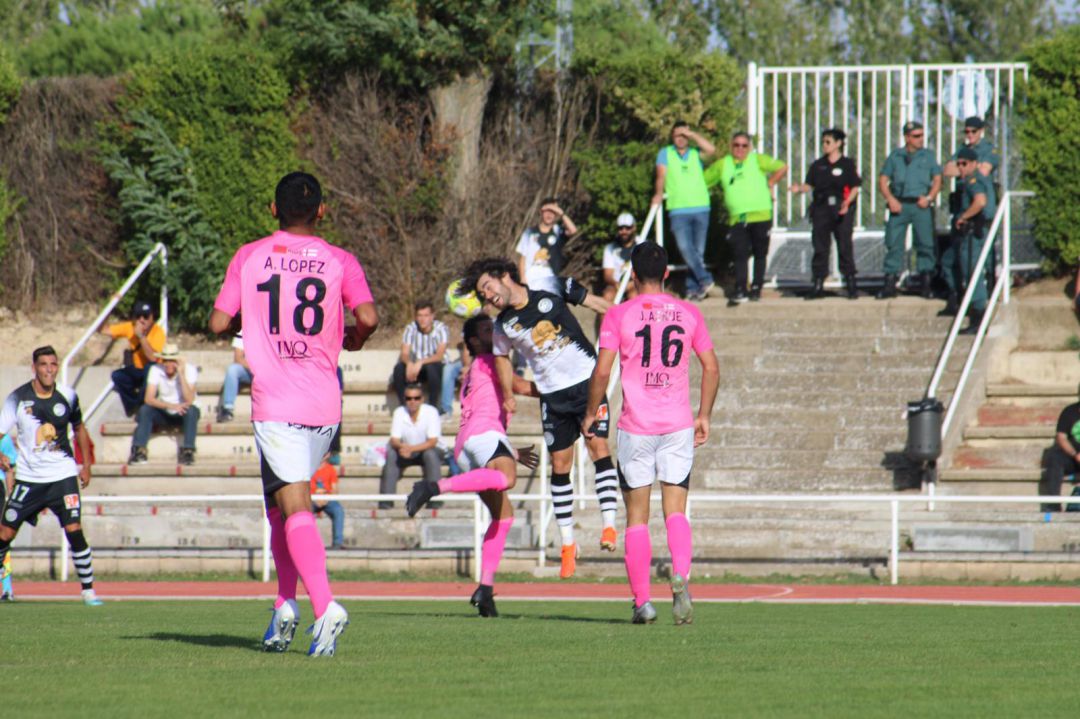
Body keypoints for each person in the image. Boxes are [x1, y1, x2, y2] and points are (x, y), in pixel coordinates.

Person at [209, 171, 379, 657]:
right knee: (277, 503)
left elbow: (219, 321)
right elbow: (367, 317)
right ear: (322, 211)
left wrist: (253, 320)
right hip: (324, 401)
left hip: (277, 399)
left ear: (272, 209)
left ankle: (326, 607)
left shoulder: (249, 255)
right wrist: (355, 339)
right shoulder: (340, 260)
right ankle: (284, 606)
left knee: (294, 504)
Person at [584, 242, 719, 625]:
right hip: (677, 425)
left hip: (636, 427)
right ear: (666, 273)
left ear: (632, 272)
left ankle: (642, 602)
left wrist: (592, 412)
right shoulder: (689, 312)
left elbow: (601, 372)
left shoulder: (618, 315)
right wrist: (703, 415)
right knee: (675, 510)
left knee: (637, 519)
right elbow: (711, 367)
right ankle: (680, 575)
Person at [461, 258, 620, 579]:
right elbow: (502, 360)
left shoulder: (550, 285)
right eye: (482, 295)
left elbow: (598, 304)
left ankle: (609, 525)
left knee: (598, 447)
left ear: (504, 276)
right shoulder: (502, 325)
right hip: (553, 397)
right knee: (560, 465)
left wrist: (624, 319)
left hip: (587, 384)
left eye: (488, 287)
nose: (488, 296)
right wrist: (507, 393)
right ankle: (567, 544)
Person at [405, 314, 540, 617]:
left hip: (468, 446)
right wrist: (559, 391)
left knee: (503, 516)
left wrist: (511, 451)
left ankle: (486, 590)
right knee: (506, 478)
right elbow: (518, 385)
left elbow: (486, 406)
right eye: (486, 330)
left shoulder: (477, 367)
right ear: (475, 341)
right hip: (484, 436)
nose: (494, 331)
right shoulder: (489, 360)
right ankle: (432, 487)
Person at [0, 346, 104, 607]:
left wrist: (86, 464)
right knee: (4, 533)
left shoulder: (68, 396)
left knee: (74, 529)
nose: (49, 369)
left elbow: (80, 429)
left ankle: (88, 591)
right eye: (43, 364)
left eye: (53, 364)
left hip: (63, 476)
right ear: (34, 367)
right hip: (30, 479)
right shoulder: (17, 399)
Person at [704, 131, 788, 303]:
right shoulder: (723, 164)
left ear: (749, 147)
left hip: (761, 214)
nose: (740, 149)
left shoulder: (757, 160)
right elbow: (702, 181)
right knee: (740, 253)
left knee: (759, 253)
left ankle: (757, 287)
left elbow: (782, 166)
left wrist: (770, 183)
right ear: (731, 146)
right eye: (736, 145)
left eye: (744, 145)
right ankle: (741, 288)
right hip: (738, 218)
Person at [789, 128, 861, 300]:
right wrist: (799, 188)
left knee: (844, 245)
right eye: (823, 142)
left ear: (838, 144)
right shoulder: (818, 165)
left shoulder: (847, 164)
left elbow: (855, 187)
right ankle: (818, 283)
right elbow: (809, 185)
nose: (824, 145)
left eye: (828, 142)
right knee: (820, 246)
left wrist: (847, 202)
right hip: (822, 208)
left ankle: (850, 283)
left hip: (841, 207)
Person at [940, 116, 1000, 316]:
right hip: (964, 217)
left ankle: (979, 309)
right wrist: (963, 166)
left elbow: (983, 173)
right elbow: (946, 170)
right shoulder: (962, 151)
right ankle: (959, 298)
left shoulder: (987, 154)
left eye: (973, 131)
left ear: (981, 131)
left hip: (975, 222)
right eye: (966, 131)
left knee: (978, 264)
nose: (969, 135)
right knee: (951, 262)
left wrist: (965, 216)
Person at [876, 121, 942, 299]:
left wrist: (929, 198)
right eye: (916, 136)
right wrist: (890, 199)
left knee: (925, 243)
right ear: (907, 137)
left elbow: (937, 179)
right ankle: (890, 282)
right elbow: (883, 180)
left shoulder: (928, 156)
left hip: (920, 204)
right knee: (894, 243)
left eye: (922, 135)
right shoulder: (895, 156)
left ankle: (926, 283)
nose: (921, 139)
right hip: (900, 204)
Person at [652, 122, 717, 301]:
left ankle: (692, 288)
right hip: (678, 209)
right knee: (685, 248)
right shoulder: (665, 153)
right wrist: (657, 194)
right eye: (677, 135)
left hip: (701, 207)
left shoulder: (696, 153)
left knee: (697, 252)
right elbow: (661, 176)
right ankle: (704, 279)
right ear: (672, 137)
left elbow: (712, 151)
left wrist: (693, 134)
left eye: (684, 135)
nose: (680, 138)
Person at [949, 147, 996, 335]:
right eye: (958, 163)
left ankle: (978, 316)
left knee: (972, 270)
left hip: (975, 230)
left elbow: (980, 201)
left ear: (974, 164)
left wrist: (963, 217)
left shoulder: (973, 180)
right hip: (982, 229)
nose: (961, 167)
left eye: (964, 163)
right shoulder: (979, 179)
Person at [128, 343, 200, 466]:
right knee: (146, 409)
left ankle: (188, 450)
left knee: (192, 410)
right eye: (165, 360)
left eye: (171, 360)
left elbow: (189, 399)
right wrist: (171, 406)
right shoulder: (155, 370)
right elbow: (149, 398)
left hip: (184, 411)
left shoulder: (190, 370)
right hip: (165, 410)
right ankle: (139, 450)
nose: (168, 364)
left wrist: (181, 374)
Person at [378, 384, 443, 509]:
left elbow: (432, 442)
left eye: (416, 398)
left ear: (422, 399)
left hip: (429, 450)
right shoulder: (399, 412)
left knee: (430, 453)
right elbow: (394, 439)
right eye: (409, 398)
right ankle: (386, 500)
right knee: (391, 452)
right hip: (408, 450)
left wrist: (409, 449)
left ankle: (435, 499)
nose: (412, 401)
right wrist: (402, 447)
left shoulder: (431, 412)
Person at [99, 300, 166, 416]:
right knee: (117, 375)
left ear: (152, 317)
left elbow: (153, 358)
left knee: (150, 368)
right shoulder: (130, 327)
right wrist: (110, 307)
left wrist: (141, 337)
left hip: (152, 370)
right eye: (138, 316)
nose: (141, 320)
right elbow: (102, 329)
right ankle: (133, 406)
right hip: (136, 370)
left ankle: (142, 404)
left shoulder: (158, 332)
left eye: (145, 316)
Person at [515, 197, 579, 295]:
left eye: (553, 211)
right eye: (547, 211)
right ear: (541, 212)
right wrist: (523, 278)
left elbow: (573, 230)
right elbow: (523, 258)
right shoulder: (529, 232)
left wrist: (561, 213)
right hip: (531, 279)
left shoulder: (557, 231)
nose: (549, 215)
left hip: (550, 280)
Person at [393, 301, 448, 409]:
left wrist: (420, 362)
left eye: (426, 315)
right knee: (399, 368)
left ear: (432, 316)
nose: (422, 319)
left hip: (436, 366)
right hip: (416, 367)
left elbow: (439, 355)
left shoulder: (441, 328)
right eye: (419, 316)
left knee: (431, 368)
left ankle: (433, 408)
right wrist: (408, 363)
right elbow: (404, 353)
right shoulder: (410, 328)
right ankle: (403, 407)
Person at [1040, 386, 1080, 513]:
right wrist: (1075, 454)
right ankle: (1053, 505)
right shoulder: (1069, 411)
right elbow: (1061, 437)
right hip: (1073, 457)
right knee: (1054, 458)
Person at [602, 212, 640, 302]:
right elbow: (607, 274)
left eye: (628, 228)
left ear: (634, 228)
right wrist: (616, 284)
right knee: (607, 296)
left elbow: (647, 271)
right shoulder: (610, 248)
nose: (624, 231)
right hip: (616, 285)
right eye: (620, 228)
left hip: (636, 283)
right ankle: (605, 317)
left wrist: (632, 283)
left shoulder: (642, 244)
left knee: (634, 296)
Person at [310, 454, 345, 550]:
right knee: (304, 513)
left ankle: (337, 543)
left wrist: (326, 499)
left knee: (338, 511)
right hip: (311, 500)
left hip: (327, 500)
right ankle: (309, 543)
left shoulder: (330, 469)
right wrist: (315, 498)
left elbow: (335, 490)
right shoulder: (309, 469)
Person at [216, 331, 251, 423]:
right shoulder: (243, 332)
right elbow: (238, 358)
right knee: (232, 369)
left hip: (270, 371)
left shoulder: (272, 329)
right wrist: (255, 368)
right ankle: (227, 409)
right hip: (251, 371)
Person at [0, 433, 16, 601]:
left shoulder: (3, 437)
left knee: (2, 538)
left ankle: (6, 588)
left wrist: (12, 495)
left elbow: (10, 467)